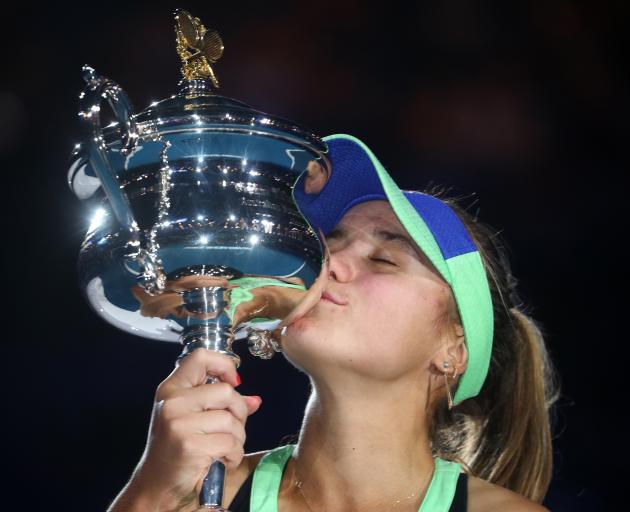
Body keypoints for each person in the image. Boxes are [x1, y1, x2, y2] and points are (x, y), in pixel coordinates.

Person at [108, 134, 559, 511]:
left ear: (453, 349)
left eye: (384, 259)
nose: (330, 265)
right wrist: (153, 490)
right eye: (326, 246)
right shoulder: (199, 494)